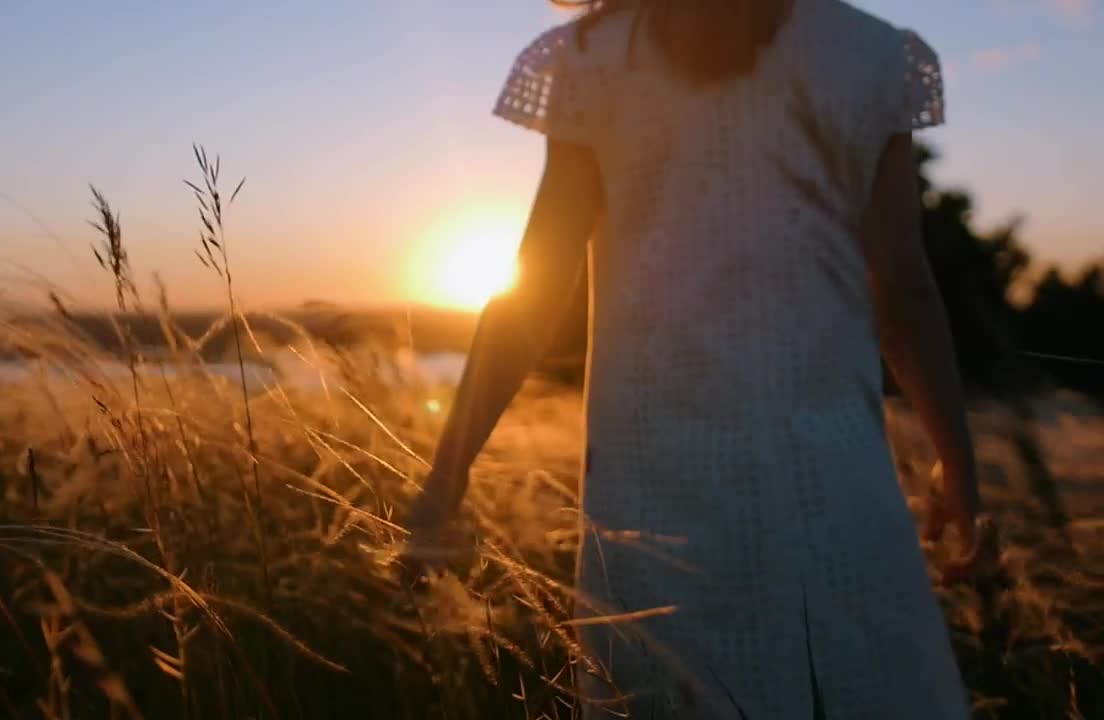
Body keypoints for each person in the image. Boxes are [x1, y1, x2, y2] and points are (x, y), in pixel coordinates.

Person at [404, 0, 983, 716]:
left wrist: (446, 476)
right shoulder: (870, 55)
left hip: (655, 505)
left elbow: (537, 286)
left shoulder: (596, 57)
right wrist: (958, 467)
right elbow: (904, 293)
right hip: (838, 497)